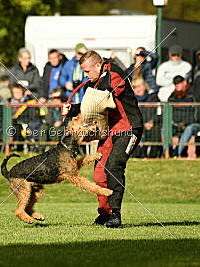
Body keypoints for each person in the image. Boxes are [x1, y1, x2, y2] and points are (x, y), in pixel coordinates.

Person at [63, 50, 143, 228]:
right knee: (99, 173)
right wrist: (72, 110)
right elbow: (89, 107)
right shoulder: (93, 83)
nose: (85, 76)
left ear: (99, 65)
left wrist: (85, 98)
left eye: (88, 71)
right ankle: (105, 214)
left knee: (113, 166)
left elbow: (104, 98)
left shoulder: (115, 75)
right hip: (109, 131)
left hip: (128, 128)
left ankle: (116, 214)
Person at [167, 75, 200, 158]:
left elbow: (199, 112)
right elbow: (167, 110)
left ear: (185, 83)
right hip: (176, 124)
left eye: (179, 83)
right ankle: (167, 151)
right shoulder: (172, 96)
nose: (177, 86)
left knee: (189, 129)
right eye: (175, 84)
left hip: (193, 124)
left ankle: (177, 152)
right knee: (165, 128)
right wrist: (171, 121)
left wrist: (185, 123)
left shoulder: (194, 94)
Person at [130, 77, 162, 158]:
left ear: (144, 86)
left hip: (152, 125)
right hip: (138, 125)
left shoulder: (154, 98)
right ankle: (138, 155)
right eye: (134, 87)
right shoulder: (131, 100)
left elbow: (160, 114)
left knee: (155, 130)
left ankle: (153, 155)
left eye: (139, 86)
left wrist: (152, 122)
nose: (137, 90)